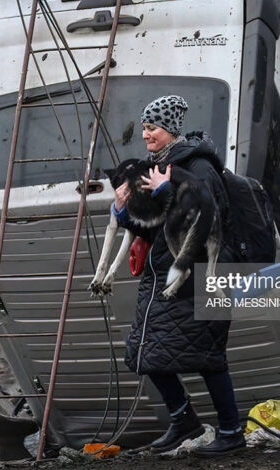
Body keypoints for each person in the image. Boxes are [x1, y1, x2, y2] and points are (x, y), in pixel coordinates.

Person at [114, 95, 243, 456]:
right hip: (166, 278)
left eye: (152, 127)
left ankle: (231, 432)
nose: (145, 134)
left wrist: (166, 191)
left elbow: (206, 218)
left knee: (208, 356)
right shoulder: (158, 166)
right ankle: (184, 419)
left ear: (170, 130)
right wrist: (121, 208)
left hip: (204, 275)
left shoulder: (199, 166)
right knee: (144, 352)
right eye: (143, 127)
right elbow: (152, 226)